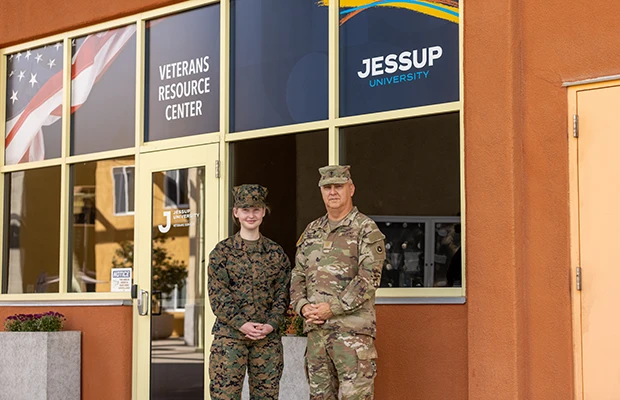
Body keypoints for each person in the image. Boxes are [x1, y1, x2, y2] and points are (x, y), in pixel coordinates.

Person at [291, 165, 386, 400]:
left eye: (339, 187)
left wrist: (330, 308)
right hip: (316, 337)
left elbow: (368, 278)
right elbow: (297, 275)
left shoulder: (366, 229)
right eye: (327, 187)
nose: (333, 192)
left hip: (351, 338)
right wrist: (302, 306)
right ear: (322, 192)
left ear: (351, 189)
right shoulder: (312, 230)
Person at [208, 184, 291, 400]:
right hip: (230, 339)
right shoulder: (222, 252)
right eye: (245, 210)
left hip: (267, 339)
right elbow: (218, 296)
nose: (251, 215)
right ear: (236, 213)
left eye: (256, 209)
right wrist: (241, 324)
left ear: (264, 212)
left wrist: (271, 324)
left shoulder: (276, 253)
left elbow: (283, 294)